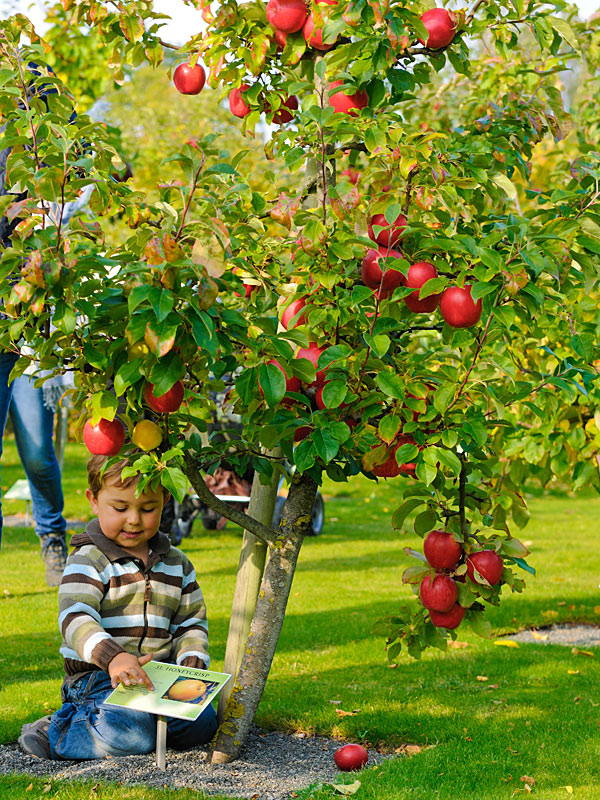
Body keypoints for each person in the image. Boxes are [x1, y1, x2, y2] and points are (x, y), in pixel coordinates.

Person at [18, 454, 217, 760]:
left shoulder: (177, 563)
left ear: (164, 501)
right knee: (132, 734)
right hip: (97, 678)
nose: (134, 519)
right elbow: (75, 618)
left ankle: (144, 724)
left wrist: (192, 658)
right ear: (94, 501)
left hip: (159, 677)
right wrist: (114, 658)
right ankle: (57, 730)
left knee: (202, 725)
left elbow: (191, 622)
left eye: (147, 508)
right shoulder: (88, 558)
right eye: (120, 508)